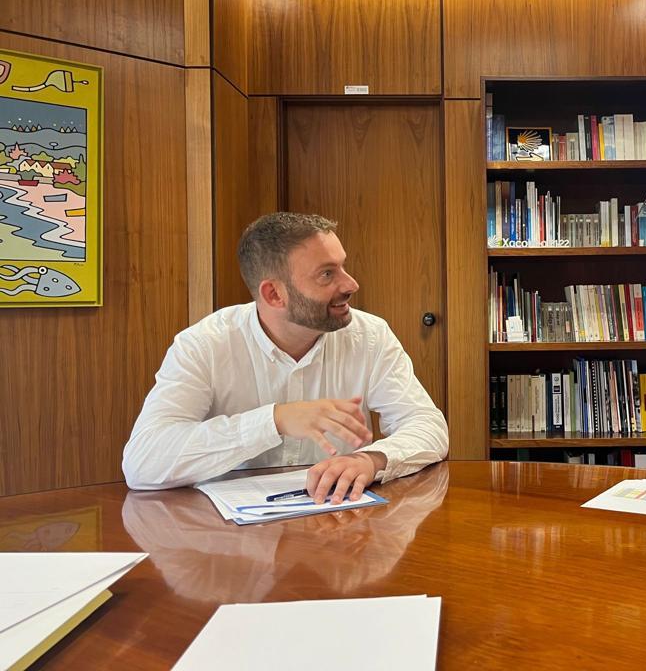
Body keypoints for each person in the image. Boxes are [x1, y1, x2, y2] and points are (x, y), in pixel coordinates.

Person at [122, 212, 449, 503]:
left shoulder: (370, 335)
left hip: (337, 526)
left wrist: (372, 459)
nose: (350, 284)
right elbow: (143, 463)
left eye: (343, 267)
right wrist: (274, 420)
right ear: (274, 294)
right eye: (326, 274)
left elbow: (428, 426)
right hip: (233, 544)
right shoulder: (204, 345)